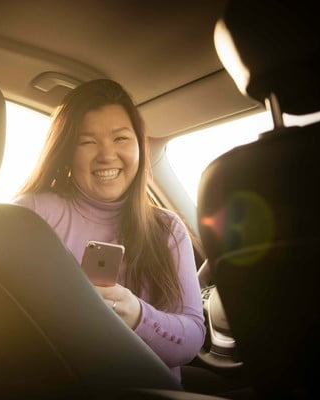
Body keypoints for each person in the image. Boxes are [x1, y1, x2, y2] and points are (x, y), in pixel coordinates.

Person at [13, 79, 205, 383]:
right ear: (66, 150)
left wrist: (137, 315)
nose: (106, 155)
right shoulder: (31, 215)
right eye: (87, 142)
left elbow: (191, 340)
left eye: (121, 138)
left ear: (139, 145)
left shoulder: (167, 228)